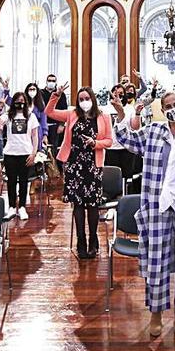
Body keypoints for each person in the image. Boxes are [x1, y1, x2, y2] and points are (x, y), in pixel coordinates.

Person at [115, 91, 175, 338]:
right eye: (168, 106)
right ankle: (156, 314)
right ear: (162, 109)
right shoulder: (153, 131)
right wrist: (120, 116)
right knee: (156, 262)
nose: (173, 109)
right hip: (157, 205)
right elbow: (127, 139)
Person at [46, 84, 113, 259]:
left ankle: (93, 239)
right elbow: (49, 112)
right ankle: (81, 240)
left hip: (92, 165)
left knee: (92, 205)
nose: (84, 102)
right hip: (74, 165)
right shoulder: (72, 114)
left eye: (87, 98)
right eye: (81, 99)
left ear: (93, 99)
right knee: (78, 204)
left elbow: (108, 141)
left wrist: (94, 143)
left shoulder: (103, 117)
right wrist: (56, 95)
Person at [0, 90, 40, 220]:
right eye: (17, 101)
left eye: (23, 101)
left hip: (26, 153)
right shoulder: (8, 116)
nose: (20, 104)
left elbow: (35, 136)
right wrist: (0, 107)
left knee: (24, 182)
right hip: (10, 153)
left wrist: (34, 153)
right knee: (11, 182)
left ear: (26, 103)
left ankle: (22, 207)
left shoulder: (31, 116)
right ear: (13, 103)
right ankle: (12, 207)